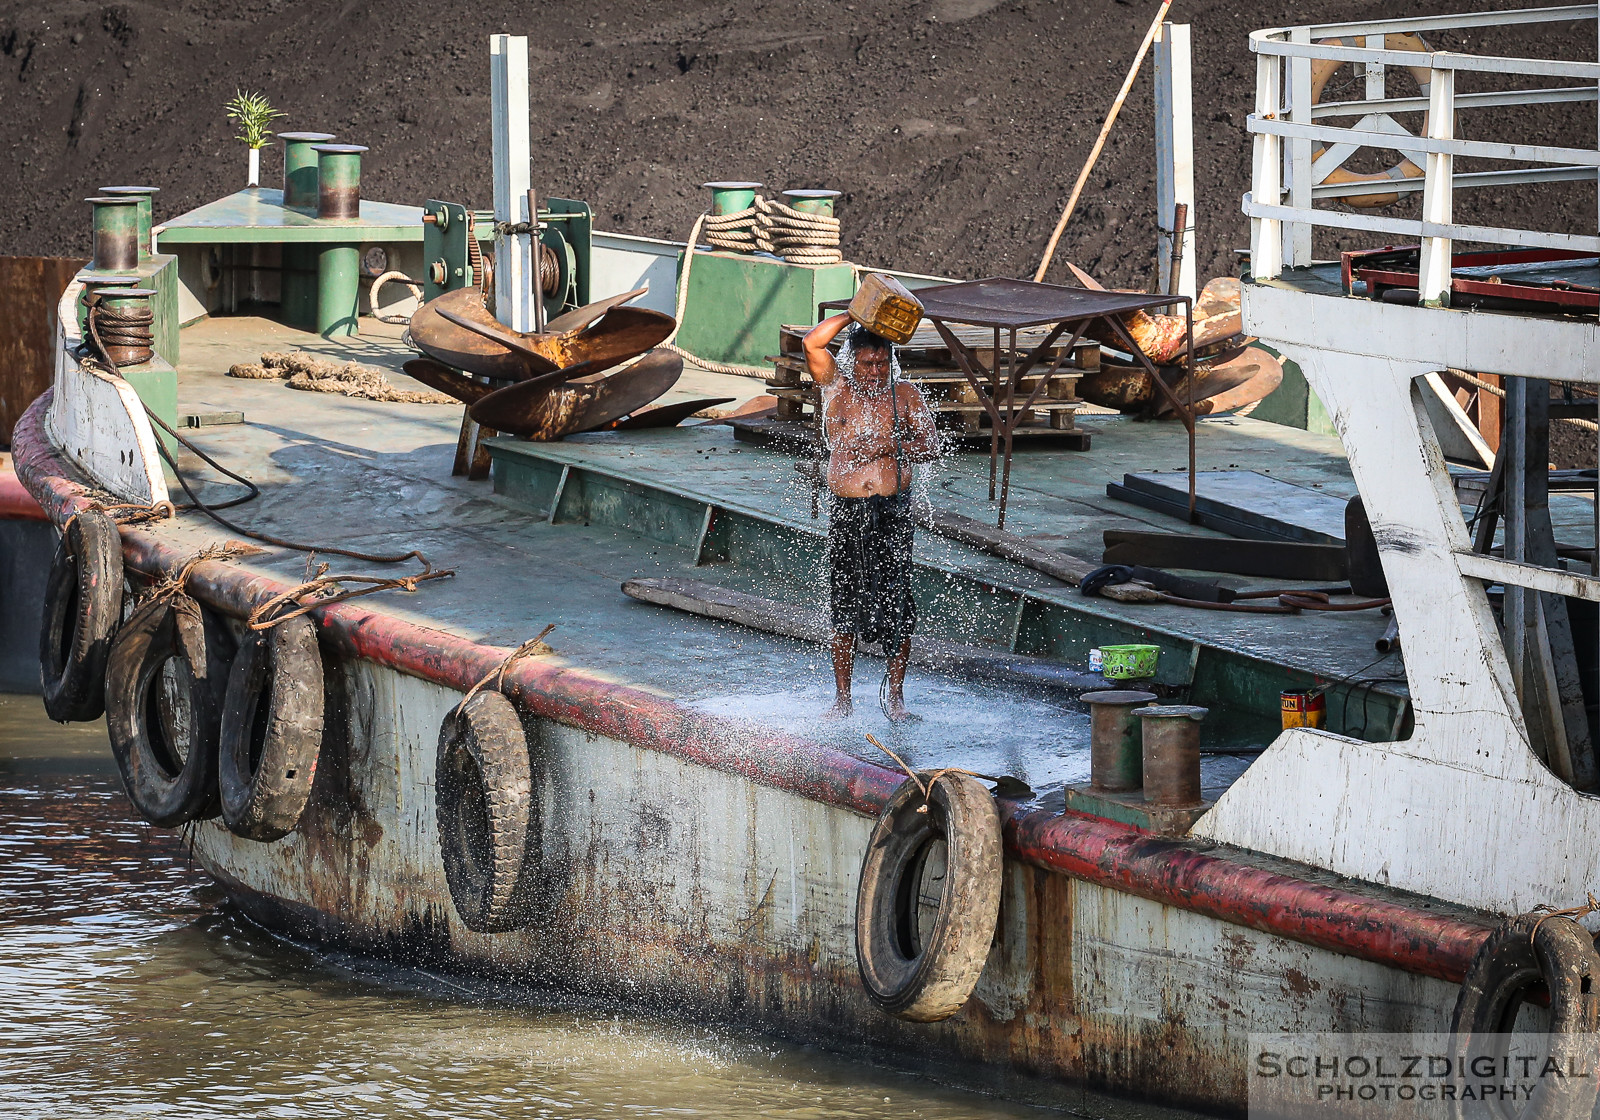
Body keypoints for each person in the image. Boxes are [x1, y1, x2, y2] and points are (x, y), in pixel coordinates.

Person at [802, 312, 939, 721]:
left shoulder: (905, 395)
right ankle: (842, 700)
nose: (875, 371)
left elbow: (930, 444)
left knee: (897, 603)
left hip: (893, 510)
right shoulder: (836, 390)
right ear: (852, 362)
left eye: (882, 363)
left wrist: (890, 448)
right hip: (848, 511)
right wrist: (853, 313)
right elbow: (811, 343)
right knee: (844, 603)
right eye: (867, 363)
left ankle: (895, 698)